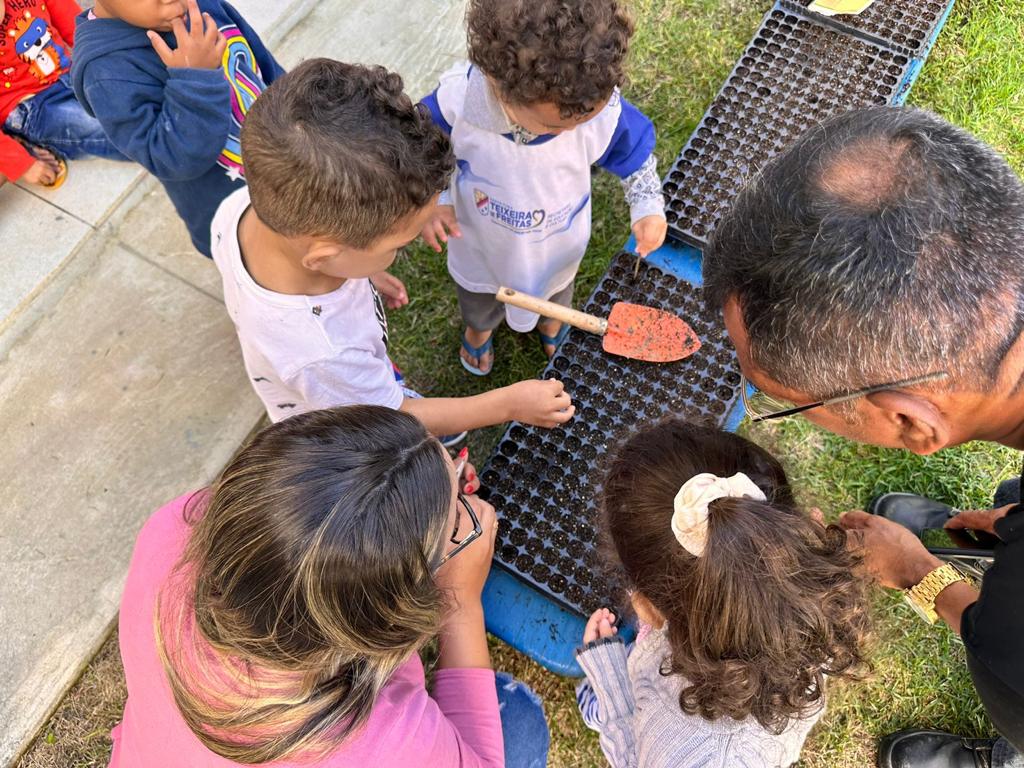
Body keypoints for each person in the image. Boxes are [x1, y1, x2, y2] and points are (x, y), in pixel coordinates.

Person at [703, 106, 1024, 768]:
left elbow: (1000, 640)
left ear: (910, 420)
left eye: (787, 402)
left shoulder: (1012, 647)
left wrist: (916, 572)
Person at [110, 405, 550, 767]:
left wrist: (427, 505)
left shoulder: (170, 531)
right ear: (379, 623)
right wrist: (461, 602)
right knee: (521, 724)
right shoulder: (385, 745)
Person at [211, 58, 575, 443]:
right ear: (324, 255)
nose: (405, 248)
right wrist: (507, 405)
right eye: (397, 246)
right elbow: (394, 415)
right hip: (355, 427)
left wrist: (359, 270)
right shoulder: (327, 353)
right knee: (413, 437)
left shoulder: (243, 211)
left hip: (356, 371)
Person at [574, 419, 870, 767]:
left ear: (648, 610)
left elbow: (630, 759)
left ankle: (595, 707)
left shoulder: (683, 753)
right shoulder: (809, 608)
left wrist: (610, 685)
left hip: (642, 715)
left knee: (602, 701)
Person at [419, 0, 668, 376]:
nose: (574, 130)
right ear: (498, 85)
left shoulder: (590, 103)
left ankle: (552, 321)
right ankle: (479, 327)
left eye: (587, 118)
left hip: (555, 244)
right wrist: (437, 198)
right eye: (555, 128)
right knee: (479, 297)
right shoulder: (458, 103)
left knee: (554, 290)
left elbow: (632, 152)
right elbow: (420, 146)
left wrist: (647, 203)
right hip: (482, 243)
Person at [70, 0, 284, 256]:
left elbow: (265, 69)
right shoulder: (105, 71)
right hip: (245, 221)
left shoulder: (201, 6)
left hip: (297, 169)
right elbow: (170, 158)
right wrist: (195, 79)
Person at [1, 0, 125, 187]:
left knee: (128, 90)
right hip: (29, 108)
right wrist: (21, 163)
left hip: (67, 72)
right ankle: (172, 143)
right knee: (106, 129)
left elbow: (74, 23)